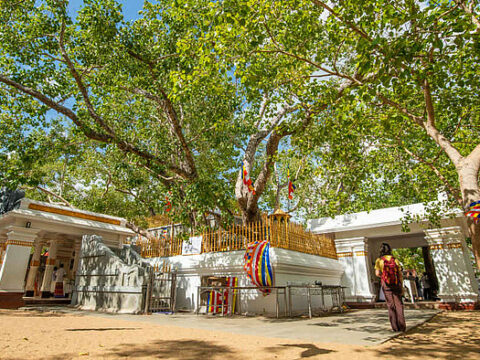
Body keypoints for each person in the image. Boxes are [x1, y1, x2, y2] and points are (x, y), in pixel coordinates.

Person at [375, 243, 406, 332]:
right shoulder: (395, 260)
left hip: (386, 284)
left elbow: (377, 273)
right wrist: (401, 285)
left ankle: (395, 327)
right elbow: (399, 274)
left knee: (390, 305)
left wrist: (384, 277)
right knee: (399, 304)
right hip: (396, 283)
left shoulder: (379, 260)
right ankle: (402, 326)